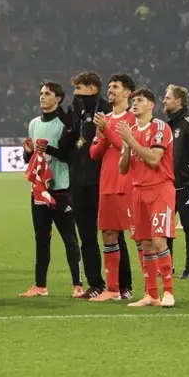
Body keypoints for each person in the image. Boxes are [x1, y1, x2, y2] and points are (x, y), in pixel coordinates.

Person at [20, 82, 83, 298]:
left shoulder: (65, 124)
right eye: (41, 93)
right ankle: (40, 286)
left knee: (69, 237)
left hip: (61, 188)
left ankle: (78, 285)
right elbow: (32, 160)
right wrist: (27, 153)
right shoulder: (33, 124)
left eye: (47, 94)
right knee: (41, 238)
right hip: (38, 191)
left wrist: (50, 149)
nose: (42, 97)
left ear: (58, 99)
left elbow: (70, 155)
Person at [117, 88, 177, 308]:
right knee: (145, 243)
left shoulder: (161, 128)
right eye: (133, 100)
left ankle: (168, 292)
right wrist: (125, 147)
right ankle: (151, 294)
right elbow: (123, 169)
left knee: (159, 239)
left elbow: (153, 159)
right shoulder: (131, 131)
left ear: (151, 105)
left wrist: (130, 141)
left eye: (140, 100)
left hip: (160, 188)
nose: (134, 103)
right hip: (138, 190)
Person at [87, 72, 138, 301]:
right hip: (106, 184)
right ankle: (114, 289)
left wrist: (107, 130)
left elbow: (127, 146)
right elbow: (94, 153)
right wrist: (102, 133)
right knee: (108, 235)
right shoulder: (104, 119)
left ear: (127, 93)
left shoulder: (132, 119)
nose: (110, 89)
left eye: (115, 86)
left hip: (126, 184)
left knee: (136, 236)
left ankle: (140, 287)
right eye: (109, 86)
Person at [60, 71, 107, 298]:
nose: (75, 94)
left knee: (112, 234)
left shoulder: (106, 110)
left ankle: (122, 286)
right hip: (78, 183)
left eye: (78, 89)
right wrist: (70, 123)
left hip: (102, 182)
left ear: (92, 89)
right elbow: (65, 148)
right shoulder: (74, 113)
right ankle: (96, 284)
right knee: (87, 237)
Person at [163, 85, 189, 279]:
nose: (164, 100)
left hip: (186, 185)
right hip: (168, 185)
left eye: (168, 97)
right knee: (166, 227)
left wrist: (183, 176)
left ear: (178, 101)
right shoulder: (169, 124)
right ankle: (167, 267)